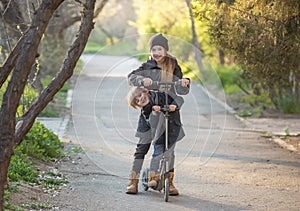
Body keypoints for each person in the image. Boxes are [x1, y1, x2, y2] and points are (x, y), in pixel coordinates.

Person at [126, 33, 190, 195]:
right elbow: (130, 77)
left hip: (169, 111)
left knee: (169, 149)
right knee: (142, 147)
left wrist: (184, 83)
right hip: (150, 113)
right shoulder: (147, 66)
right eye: (154, 49)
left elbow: (180, 91)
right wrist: (142, 81)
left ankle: (170, 182)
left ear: (166, 50)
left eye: (160, 49)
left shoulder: (173, 65)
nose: (157, 53)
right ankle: (132, 181)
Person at [127, 87, 185, 192]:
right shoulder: (145, 108)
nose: (140, 100)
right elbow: (133, 76)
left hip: (168, 125)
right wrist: (153, 112)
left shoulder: (162, 95)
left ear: (145, 91)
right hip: (150, 125)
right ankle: (133, 181)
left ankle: (169, 182)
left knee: (170, 153)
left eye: (140, 96)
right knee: (141, 150)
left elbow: (179, 97)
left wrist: (174, 105)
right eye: (137, 101)